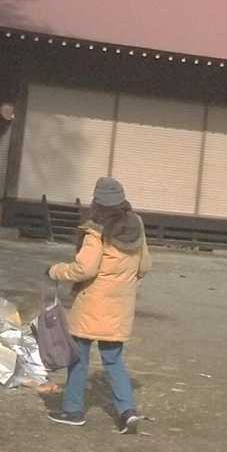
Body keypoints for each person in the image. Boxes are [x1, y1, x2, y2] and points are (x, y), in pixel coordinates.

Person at [46, 176, 151, 431]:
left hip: (91, 304)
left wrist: (56, 271)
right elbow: (145, 266)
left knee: (78, 359)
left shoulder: (95, 231)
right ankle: (127, 411)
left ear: (97, 201)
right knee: (113, 360)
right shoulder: (136, 226)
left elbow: (85, 269)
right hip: (120, 306)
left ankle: (73, 411)